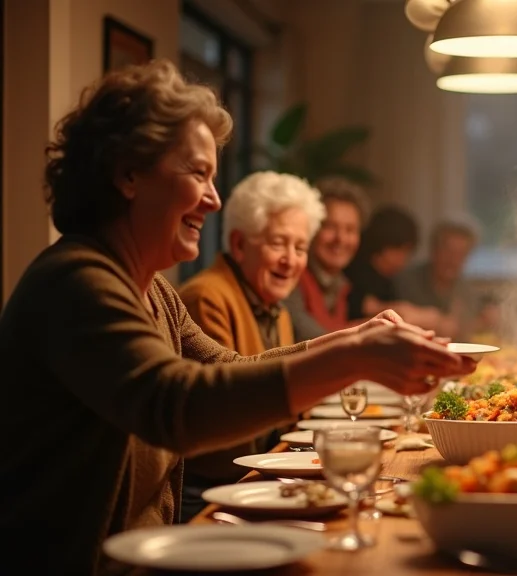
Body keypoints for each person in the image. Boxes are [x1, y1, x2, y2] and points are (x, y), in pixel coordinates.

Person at [0, 60, 474, 575]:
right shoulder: (76, 282)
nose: (213, 199)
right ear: (128, 174)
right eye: (197, 173)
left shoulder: (153, 291)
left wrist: (353, 340)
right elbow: (176, 406)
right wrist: (354, 357)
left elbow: (228, 367)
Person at [177, 170, 325, 521]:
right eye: (278, 244)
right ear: (240, 244)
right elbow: (229, 406)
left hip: (259, 479)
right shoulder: (207, 296)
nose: (291, 260)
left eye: (300, 248)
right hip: (211, 494)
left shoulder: (276, 308)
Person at [345, 205, 457, 335]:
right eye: (402, 251)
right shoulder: (354, 273)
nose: (404, 260)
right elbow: (371, 308)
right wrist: (424, 316)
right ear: (383, 245)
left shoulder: (390, 280)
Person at [283, 176, 369, 341]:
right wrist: (371, 330)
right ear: (310, 229)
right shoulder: (290, 274)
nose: (341, 239)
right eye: (330, 226)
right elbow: (309, 339)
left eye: (350, 230)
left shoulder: (340, 285)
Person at [395, 217, 482, 337]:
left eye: (461, 254)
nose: (453, 260)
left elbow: (467, 329)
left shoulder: (466, 290)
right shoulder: (405, 282)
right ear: (434, 250)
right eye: (448, 251)